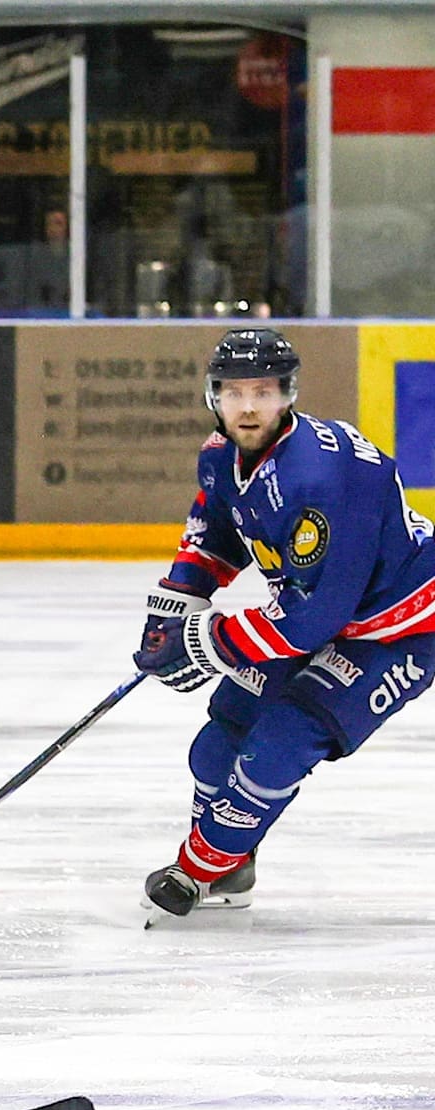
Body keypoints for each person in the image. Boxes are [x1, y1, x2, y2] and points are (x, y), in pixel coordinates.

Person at [133, 328, 435, 920]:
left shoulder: (320, 477)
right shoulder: (221, 455)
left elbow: (319, 617)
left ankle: (195, 871)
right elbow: (217, 526)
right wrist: (175, 606)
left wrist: (210, 642)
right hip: (313, 605)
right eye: (235, 392)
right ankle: (231, 862)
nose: (248, 407)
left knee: (277, 747)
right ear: (212, 395)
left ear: (288, 394)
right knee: (220, 740)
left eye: (265, 392)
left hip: (400, 627)